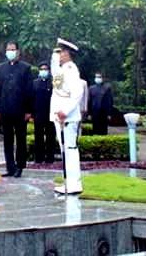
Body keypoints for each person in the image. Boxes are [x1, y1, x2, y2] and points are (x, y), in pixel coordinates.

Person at [0, 41, 33, 178]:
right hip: (5, 109)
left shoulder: (25, 68)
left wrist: (29, 111)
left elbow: (29, 90)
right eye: (8, 49)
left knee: (20, 139)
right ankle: (10, 167)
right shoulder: (0, 69)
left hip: (21, 110)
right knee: (7, 140)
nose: (10, 52)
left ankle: (20, 166)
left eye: (12, 49)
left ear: (18, 51)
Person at [51, 38, 84, 195]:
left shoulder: (71, 69)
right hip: (60, 116)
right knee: (64, 150)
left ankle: (74, 184)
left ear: (67, 53)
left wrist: (65, 111)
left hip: (68, 118)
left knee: (70, 149)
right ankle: (68, 183)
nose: (58, 55)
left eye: (60, 52)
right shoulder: (62, 70)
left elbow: (77, 94)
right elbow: (57, 88)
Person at [31, 63, 57, 165]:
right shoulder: (34, 83)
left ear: (49, 71)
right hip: (38, 114)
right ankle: (38, 158)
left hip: (51, 114)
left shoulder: (54, 83)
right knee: (38, 137)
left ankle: (50, 158)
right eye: (41, 69)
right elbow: (31, 99)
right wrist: (32, 114)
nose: (43, 71)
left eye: (45, 69)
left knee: (50, 137)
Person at [87, 71, 114, 135]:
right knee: (95, 129)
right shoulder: (91, 88)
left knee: (103, 130)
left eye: (99, 77)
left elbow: (110, 101)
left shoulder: (107, 88)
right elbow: (89, 101)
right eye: (96, 77)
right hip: (94, 112)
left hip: (104, 113)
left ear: (103, 78)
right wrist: (89, 113)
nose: (97, 78)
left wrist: (109, 114)